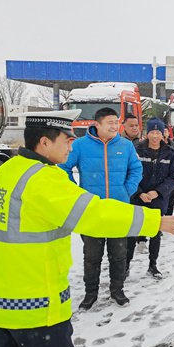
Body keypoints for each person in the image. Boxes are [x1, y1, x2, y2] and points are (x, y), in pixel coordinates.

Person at [0, 110, 174, 347]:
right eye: (67, 141)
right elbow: (95, 215)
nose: (71, 147)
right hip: (35, 303)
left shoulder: (6, 171)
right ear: (44, 142)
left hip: (2, 300)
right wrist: (154, 221)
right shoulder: (43, 180)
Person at [59, 107, 142, 309]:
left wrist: (126, 190)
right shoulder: (80, 145)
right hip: (91, 210)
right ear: (97, 124)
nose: (114, 126)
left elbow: (136, 169)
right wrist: (77, 193)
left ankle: (117, 290)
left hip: (118, 208)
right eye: (110, 123)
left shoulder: (125, 145)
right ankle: (91, 294)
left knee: (119, 254)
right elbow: (63, 168)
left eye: (116, 122)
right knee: (92, 256)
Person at [126, 118, 174, 280]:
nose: (155, 136)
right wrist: (139, 193)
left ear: (163, 134)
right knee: (132, 232)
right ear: (147, 133)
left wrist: (158, 192)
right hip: (138, 198)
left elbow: (173, 176)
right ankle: (125, 266)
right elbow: (129, 173)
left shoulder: (170, 153)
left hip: (158, 199)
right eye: (152, 132)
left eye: (158, 132)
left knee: (155, 233)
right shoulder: (136, 150)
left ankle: (152, 265)